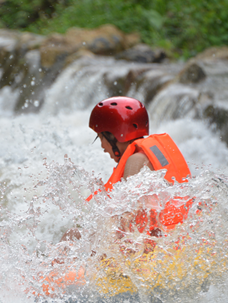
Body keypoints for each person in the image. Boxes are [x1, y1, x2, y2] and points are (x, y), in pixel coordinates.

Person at [61, 96, 191, 241]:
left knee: (70, 236)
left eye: (100, 137)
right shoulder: (150, 157)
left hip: (153, 251)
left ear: (113, 135)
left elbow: (125, 226)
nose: (103, 147)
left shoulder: (135, 162)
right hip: (175, 241)